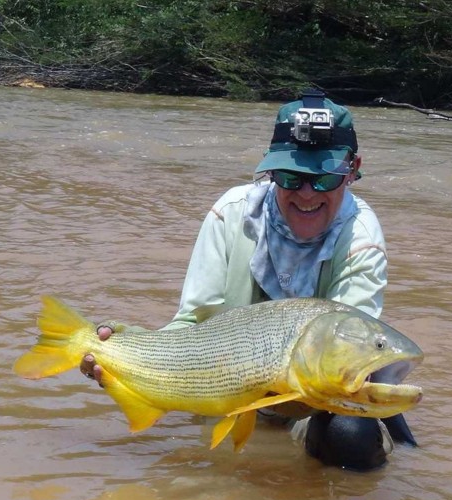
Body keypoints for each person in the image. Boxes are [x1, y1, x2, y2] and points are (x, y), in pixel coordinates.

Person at [81, 90, 417, 470]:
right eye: (291, 176)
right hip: (224, 386)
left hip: (310, 403)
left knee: (350, 438)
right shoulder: (231, 214)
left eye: (324, 179)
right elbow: (192, 323)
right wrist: (132, 349)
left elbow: (346, 357)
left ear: (353, 169)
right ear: (270, 171)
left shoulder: (361, 237)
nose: (306, 194)